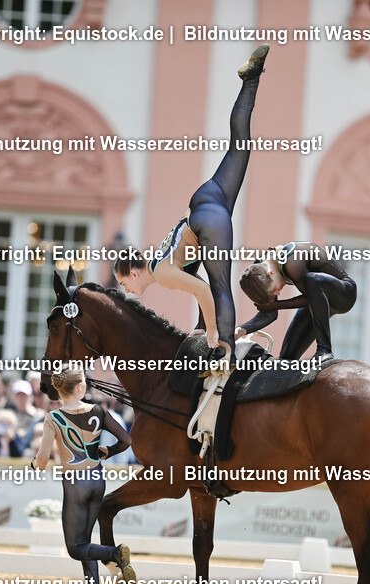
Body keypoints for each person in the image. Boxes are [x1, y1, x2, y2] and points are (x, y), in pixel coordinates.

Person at [114, 44, 270, 357]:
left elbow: (203, 289)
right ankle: (250, 79)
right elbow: (195, 271)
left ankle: (222, 357)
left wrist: (212, 332)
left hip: (205, 219)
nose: (127, 290)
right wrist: (201, 325)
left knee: (221, 286)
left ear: (134, 272)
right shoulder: (161, 260)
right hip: (203, 201)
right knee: (239, 147)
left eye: (124, 283)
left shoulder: (162, 274)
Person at [33, 368, 137, 584]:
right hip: (97, 479)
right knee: (86, 543)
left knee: (74, 548)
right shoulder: (99, 411)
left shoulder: (53, 418)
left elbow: (42, 460)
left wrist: (32, 464)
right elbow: (126, 441)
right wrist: (107, 453)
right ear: (81, 388)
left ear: (59, 390)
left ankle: (114, 553)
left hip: (75, 482)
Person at [236, 242, 356, 361]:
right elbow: (269, 313)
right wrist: (241, 330)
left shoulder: (292, 262)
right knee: (286, 359)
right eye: (274, 294)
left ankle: (325, 349)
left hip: (344, 295)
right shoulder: (258, 270)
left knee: (312, 280)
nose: (277, 293)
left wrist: (277, 305)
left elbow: (310, 298)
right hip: (316, 304)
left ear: (271, 273)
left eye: (274, 290)